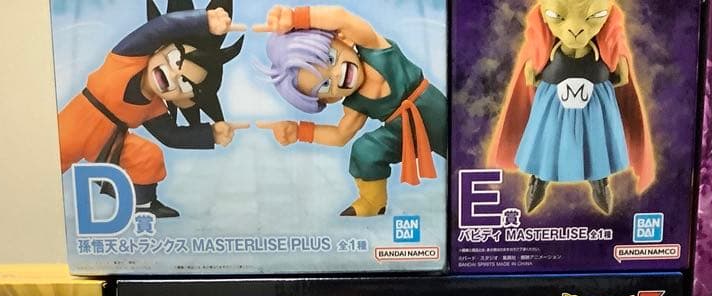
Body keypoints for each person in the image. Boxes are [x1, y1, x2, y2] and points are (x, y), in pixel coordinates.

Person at [58, 0, 246, 217]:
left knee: (148, 156)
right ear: (160, 47)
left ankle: (143, 203)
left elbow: (171, 136)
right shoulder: (126, 58)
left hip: (110, 143)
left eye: (184, 84)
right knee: (55, 154)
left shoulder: (153, 108)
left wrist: (210, 134)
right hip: (77, 123)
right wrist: (203, 20)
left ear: (184, 101)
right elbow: (161, 27)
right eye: (174, 60)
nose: (172, 76)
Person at [257, 5, 447, 216]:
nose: (337, 75)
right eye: (325, 85)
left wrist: (296, 17)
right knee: (365, 151)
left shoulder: (374, 47)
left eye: (330, 59)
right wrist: (300, 131)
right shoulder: (355, 105)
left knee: (460, 144)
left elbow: (342, 18)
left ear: (343, 39)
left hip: (433, 108)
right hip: (403, 133)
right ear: (329, 99)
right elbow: (340, 135)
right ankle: (372, 202)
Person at [487, 0, 654, 214]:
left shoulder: (606, 51)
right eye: (558, 17)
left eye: (593, 17)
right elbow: (532, 76)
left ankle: (599, 181)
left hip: (594, 99)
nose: (575, 29)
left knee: (596, 140)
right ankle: (539, 180)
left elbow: (621, 77)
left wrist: (612, 70)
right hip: (555, 99)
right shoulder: (543, 52)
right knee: (547, 139)